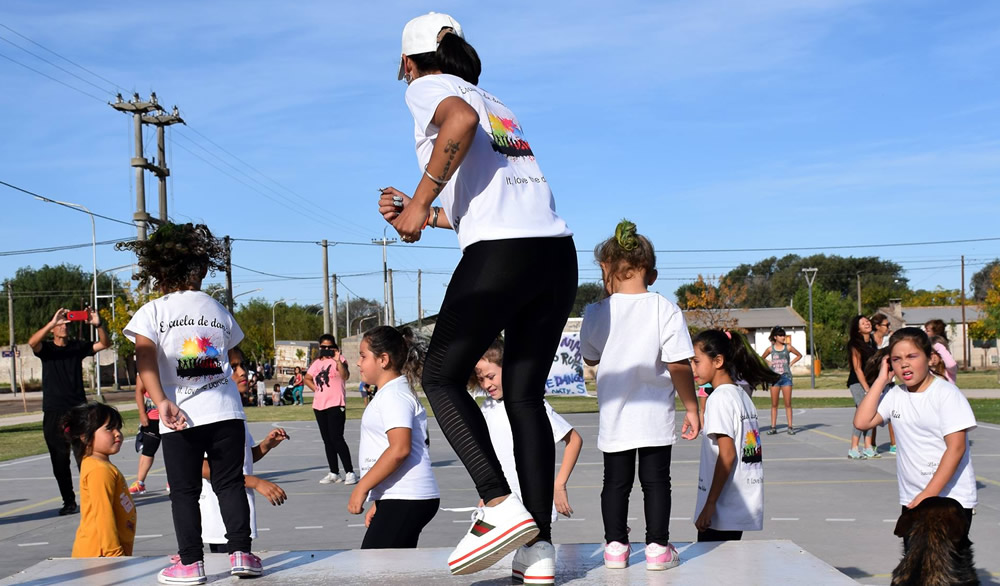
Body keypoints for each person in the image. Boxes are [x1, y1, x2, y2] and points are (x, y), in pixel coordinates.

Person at [377, 12, 577, 577]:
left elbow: (456, 123)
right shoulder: (495, 101)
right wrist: (429, 213)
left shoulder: (430, 88)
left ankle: (496, 504)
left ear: (409, 62)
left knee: (439, 375)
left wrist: (417, 202)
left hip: (503, 255)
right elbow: (486, 205)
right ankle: (537, 550)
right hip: (555, 255)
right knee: (523, 398)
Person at [119, 223, 261, 583]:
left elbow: (145, 357)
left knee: (185, 491)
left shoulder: (154, 311)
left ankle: (191, 563)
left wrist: (161, 398)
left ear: (159, 271)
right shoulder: (217, 308)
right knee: (229, 484)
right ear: (201, 270)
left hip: (180, 414)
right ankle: (241, 554)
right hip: (226, 411)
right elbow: (227, 352)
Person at [580, 220, 700, 572]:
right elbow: (678, 364)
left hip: (616, 415)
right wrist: (691, 407)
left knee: (615, 483)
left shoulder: (597, 312)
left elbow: (591, 357)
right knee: (656, 481)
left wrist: (606, 299)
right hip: (654, 414)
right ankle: (657, 549)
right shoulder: (665, 308)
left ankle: (616, 548)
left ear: (608, 269)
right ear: (652, 272)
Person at [853, 327, 977, 550]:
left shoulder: (946, 394)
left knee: (943, 573)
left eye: (912, 356)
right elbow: (862, 422)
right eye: (896, 359)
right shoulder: (895, 395)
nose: (904, 364)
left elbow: (956, 449)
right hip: (913, 498)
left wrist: (927, 495)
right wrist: (881, 380)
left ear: (930, 359)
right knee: (915, 568)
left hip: (949, 500)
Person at [473, 337, 583, 584]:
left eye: (490, 376)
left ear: (508, 367)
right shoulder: (486, 409)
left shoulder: (531, 405)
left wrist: (559, 484)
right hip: (504, 503)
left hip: (533, 499)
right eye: (481, 379)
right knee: (519, 564)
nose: (487, 384)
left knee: (539, 549)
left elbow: (574, 440)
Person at [348, 326, 439, 549]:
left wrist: (362, 488)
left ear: (383, 359)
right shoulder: (390, 393)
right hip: (399, 497)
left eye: (363, 356)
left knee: (375, 568)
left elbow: (400, 449)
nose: (358, 363)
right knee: (395, 572)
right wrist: (380, 500)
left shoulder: (394, 396)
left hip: (407, 497)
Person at [690, 330, 778, 542]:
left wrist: (710, 504)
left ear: (718, 360)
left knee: (714, 571)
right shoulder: (741, 396)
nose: (692, 368)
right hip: (739, 504)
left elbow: (727, 455)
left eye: (696, 361)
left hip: (722, 508)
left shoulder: (719, 399)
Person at [200, 347, 288, 553]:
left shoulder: (235, 411)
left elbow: (240, 460)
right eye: (233, 367)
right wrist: (255, 482)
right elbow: (202, 467)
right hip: (222, 516)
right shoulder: (212, 415)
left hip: (238, 512)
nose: (242, 372)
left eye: (243, 365)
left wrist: (266, 445)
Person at [28, 307, 110, 516]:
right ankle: (69, 502)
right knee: (59, 460)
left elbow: (104, 344)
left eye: (66, 323)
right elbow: (32, 343)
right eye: (60, 324)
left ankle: (92, 498)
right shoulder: (46, 349)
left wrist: (98, 324)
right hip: (54, 412)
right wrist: (51, 322)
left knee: (85, 457)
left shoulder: (76, 347)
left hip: (78, 411)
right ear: (54, 329)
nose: (64, 326)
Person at [64, 402, 136, 557]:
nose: (117, 433)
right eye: (109, 429)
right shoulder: (99, 470)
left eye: (118, 428)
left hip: (105, 553)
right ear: (85, 436)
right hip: (100, 555)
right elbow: (103, 516)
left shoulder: (99, 465)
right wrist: (114, 555)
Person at [304, 335, 357, 485]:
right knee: (327, 440)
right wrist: (316, 390)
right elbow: (307, 378)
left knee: (337, 438)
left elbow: (345, 376)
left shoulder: (340, 360)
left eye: (329, 347)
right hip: (319, 405)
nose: (326, 350)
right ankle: (334, 472)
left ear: (334, 347)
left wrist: (338, 360)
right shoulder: (316, 363)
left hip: (336, 403)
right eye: (323, 347)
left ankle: (350, 472)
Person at [846, 315, 878, 459]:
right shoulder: (855, 344)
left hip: (870, 382)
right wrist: (867, 389)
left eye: (868, 321)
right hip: (857, 383)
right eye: (863, 322)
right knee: (863, 412)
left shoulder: (872, 342)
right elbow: (858, 369)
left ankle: (868, 447)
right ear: (857, 329)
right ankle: (853, 448)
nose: (867, 323)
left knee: (870, 413)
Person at [760, 326, 802, 435]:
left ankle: (790, 427)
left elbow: (799, 355)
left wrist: (791, 363)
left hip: (786, 377)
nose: (783, 337)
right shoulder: (771, 349)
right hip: (774, 379)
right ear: (775, 337)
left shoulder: (788, 348)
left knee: (788, 403)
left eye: (784, 335)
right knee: (774, 404)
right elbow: (762, 357)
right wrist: (768, 363)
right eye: (781, 335)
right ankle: (773, 427)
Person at [130, 375, 162, 495]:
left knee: (173, 451)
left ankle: (173, 479)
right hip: (153, 417)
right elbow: (139, 391)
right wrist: (142, 413)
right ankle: (140, 482)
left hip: (172, 416)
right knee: (148, 450)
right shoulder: (145, 369)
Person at [870, 313, 896, 453]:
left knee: (892, 413)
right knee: (872, 413)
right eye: (886, 325)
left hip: (889, 381)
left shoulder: (890, 340)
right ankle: (872, 444)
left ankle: (894, 444)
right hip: (873, 382)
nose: (888, 327)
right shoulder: (870, 341)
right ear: (877, 326)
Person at [924, 319, 958, 384]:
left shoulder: (948, 371)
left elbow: (951, 365)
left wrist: (939, 347)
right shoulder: (927, 370)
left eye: (927, 331)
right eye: (929, 354)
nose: (925, 332)